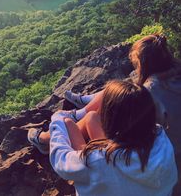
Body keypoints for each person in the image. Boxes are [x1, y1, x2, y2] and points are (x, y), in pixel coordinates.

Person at [49, 80, 177, 196]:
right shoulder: (161, 138)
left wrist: (56, 120)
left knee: (67, 123)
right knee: (91, 118)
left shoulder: (98, 161)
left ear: (111, 119)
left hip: (102, 168)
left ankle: (45, 137)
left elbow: (60, 159)